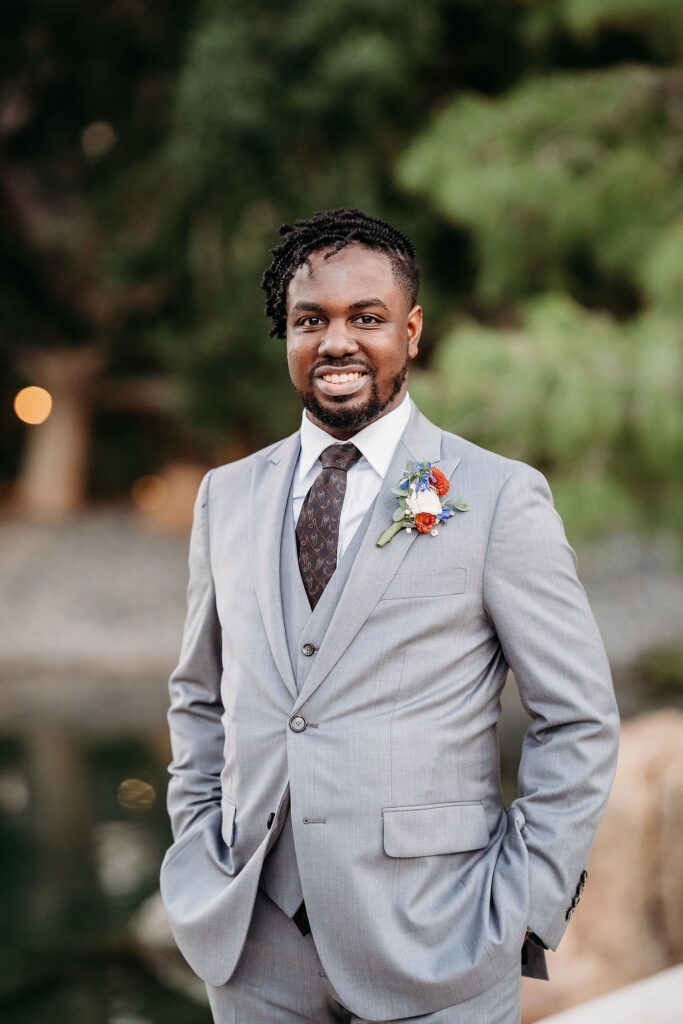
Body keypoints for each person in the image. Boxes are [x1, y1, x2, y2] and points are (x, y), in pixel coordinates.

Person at [160, 208, 620, 1023]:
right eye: (311, 320)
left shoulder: (495, 497)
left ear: (409, 331)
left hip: (440, 943)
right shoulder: (225, 496)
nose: (336, 341)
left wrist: (516, 905)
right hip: (253, 952)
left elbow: (577, 719)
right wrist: (199, 847)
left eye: (364, 318)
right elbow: (200, 695)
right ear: (288, 335)